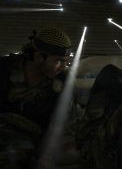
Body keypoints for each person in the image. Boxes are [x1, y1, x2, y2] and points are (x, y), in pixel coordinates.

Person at [0, 28, 77, 168]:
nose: (63, 67)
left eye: (66, 61)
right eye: (58, 61)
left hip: (33, 143)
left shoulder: (61, 82)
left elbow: (64, 122)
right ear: (38, 57)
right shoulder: (4, 69)